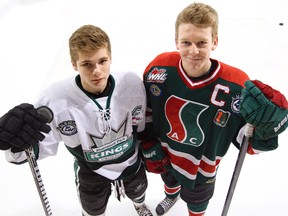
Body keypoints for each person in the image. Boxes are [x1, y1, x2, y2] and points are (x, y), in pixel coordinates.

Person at [140, 2, 288, 216]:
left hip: (203, 166)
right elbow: (147, 111)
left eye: (201, 42)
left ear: (215, 42)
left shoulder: (236, 84)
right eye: (186, 42)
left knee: (198, 202)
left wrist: (265, 132)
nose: (193, 50)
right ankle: (172, 196)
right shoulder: (159, 69)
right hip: (166, 153)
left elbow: (245, 141)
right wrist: (147, 140)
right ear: (176, 42)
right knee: (169, 179)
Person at [0, 24, 153, 216]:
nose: (97, 70)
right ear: (74, 64)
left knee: (138, 190)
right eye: (87, 64)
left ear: (111, 58)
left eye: (102, 61)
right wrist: (15, 142)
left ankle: (139, 205)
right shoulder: (56, 100)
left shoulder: (130, 84)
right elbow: (28, 151)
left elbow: (142, 126)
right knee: (92, 209)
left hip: (130, 161)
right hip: (91, 171)